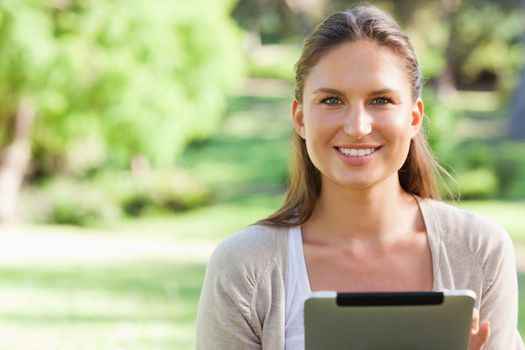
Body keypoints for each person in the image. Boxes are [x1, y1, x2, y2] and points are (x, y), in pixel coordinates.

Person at [196, 5, 524, 350]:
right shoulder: (243, 267)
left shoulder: (480, 253)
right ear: (300, 117)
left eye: (380, 100)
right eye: (332, 100)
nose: (357, 127)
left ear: (414, 118)